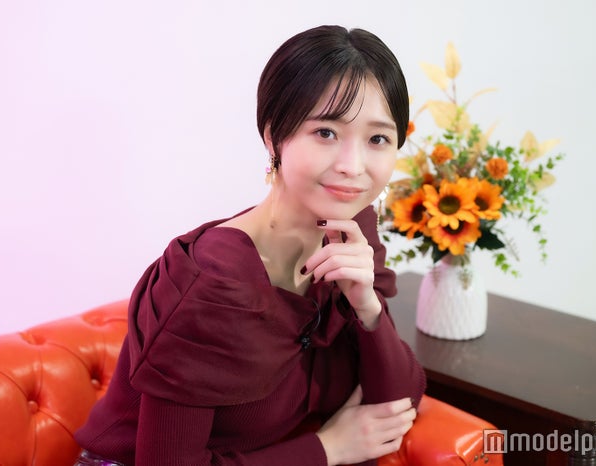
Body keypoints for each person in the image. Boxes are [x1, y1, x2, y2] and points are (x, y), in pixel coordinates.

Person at [74, 24, 426, 466]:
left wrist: (367, 305)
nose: (353, 167)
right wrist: (328, 448)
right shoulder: (212, 281)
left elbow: (397, 404)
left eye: (378, 139)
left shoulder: (351, 230)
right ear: (274, 135)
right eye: (326, 132)